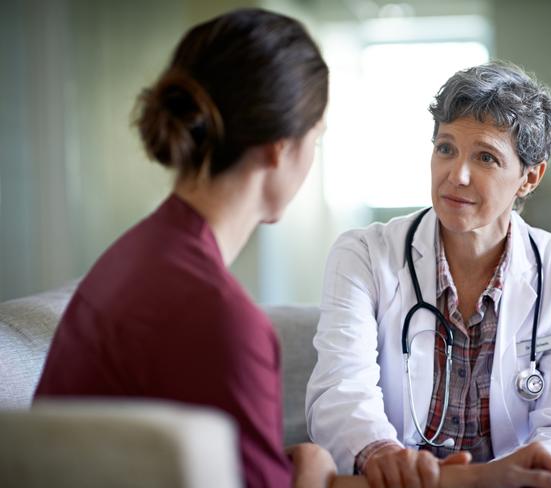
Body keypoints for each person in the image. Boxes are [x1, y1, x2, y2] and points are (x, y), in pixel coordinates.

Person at [35, 8, 333, 488]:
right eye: (317, 137)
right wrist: (314, 475)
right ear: (280, 147)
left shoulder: (136, 253)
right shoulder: (219, 316)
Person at [306, 61, 551, 488]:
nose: (456, 175)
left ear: (529, 178)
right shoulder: (364, 255)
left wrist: (537, 473)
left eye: (485, 157)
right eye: (445, 148)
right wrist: (381, 453)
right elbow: (340, 392)